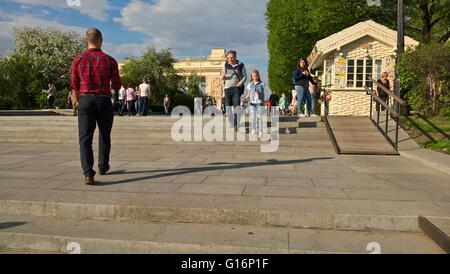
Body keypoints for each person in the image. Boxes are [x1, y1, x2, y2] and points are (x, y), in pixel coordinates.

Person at [70, 28, 122, 185]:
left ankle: (88, 173)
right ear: (101, 40)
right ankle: (103, 166)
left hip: (86, 101)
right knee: (105, 136)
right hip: (104, 100)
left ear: (86, 40)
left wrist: (78, 98)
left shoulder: (78, 60)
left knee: (85, 138)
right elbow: (117, 85)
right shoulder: (110, 60)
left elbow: (74, 84)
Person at [220, 50, 247, 130]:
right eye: (228, 58)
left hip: (236, 88)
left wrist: (240, 83)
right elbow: (221, 77)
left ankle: (236, 124)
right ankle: (231, 121)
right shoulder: (225, 65)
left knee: (236, 106)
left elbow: (245, 76)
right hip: (227, 89)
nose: (230, 60)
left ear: (235, 57)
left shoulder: (241, 65)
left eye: (232, 58)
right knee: (227, 108)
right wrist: (223, 76)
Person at [243, 70, 269, 138]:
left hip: (259, 103)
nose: (255, 77)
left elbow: (263, 94)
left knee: (260, 117)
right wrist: (244, 98)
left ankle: (260, 131)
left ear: (258, 76)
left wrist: (263, 102)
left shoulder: (262, 84)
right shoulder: (250, 84)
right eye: (254, 76)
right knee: (253, 117)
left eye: (256, 76)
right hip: (252, 103)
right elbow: (248, 94)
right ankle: (254, 129)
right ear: (252, 76)